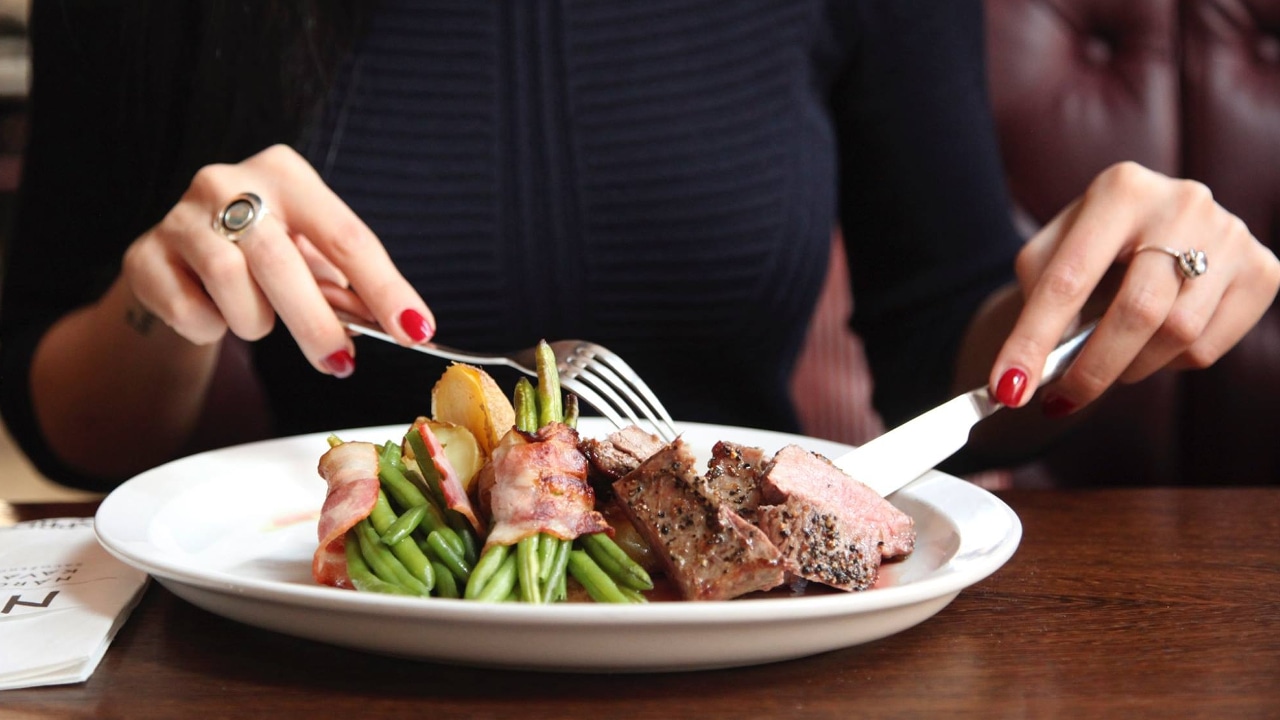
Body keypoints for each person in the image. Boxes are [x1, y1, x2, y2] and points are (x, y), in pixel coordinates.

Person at [2, 1, 1276, 492]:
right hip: (322, 642)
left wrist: (1088, 309)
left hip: (764, 645)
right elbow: (72, 433)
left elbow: (937, 342)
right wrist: (166, 305)